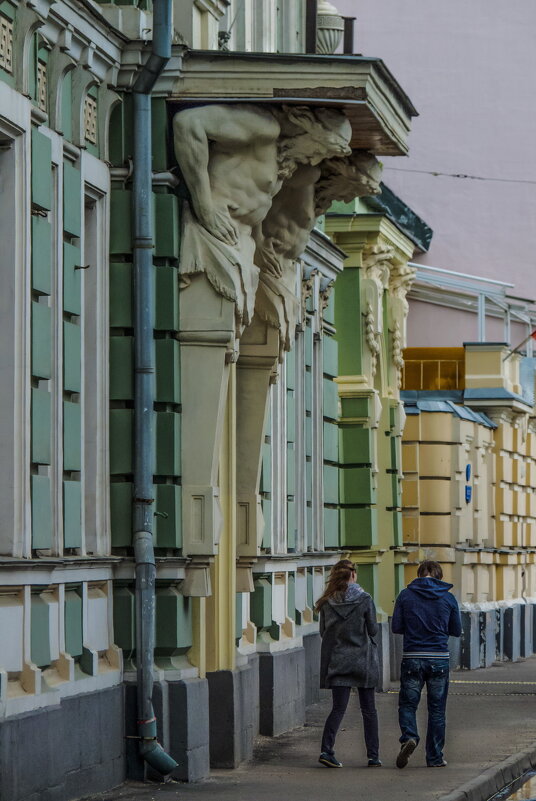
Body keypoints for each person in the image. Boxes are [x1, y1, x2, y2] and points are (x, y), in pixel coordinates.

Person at [391, 559, 462, 769]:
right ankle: (435, 757)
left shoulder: (405, 595)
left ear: (419, 574)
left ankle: (409, 737)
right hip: (439, 659)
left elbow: (396, 626)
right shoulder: (448, 598)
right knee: (437, 710)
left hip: (413, 656)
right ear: (439, 576)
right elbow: (456, 630)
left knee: (407, 704)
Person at [316, 559, 381, 768]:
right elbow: (373, 630)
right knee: (369, 710)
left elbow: (322, 632)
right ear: (352, 575)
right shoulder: (364, 599)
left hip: (338, 661)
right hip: (363, 660)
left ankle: (327, 751)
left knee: (338, 709)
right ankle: (373, 757)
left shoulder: (327, 602)